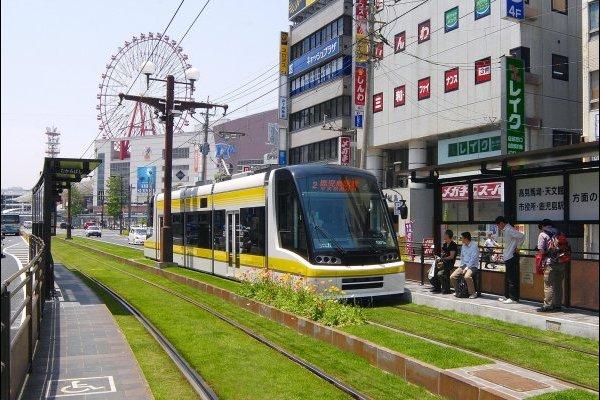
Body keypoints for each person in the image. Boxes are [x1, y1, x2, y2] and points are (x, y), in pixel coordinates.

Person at [536, 219, 566, 312]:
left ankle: (548, 306)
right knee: (558, 285)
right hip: (561, 262)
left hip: (550, 263)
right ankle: (558, 305)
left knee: (548, 285)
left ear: (542, 226)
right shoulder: (559, 232)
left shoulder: (543, 234)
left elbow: (541, 250)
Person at [495, 216, 525, 304]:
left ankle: (513, 298)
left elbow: (522, 236)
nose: (498, 227)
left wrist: (518, 247)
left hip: (511, 256)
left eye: (498, 225)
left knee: (512, 278)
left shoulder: (509, 229)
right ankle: (508, 296)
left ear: (501, 223)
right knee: (509, 277)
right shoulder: (506, 230)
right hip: (508, 256)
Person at [450, 232, 480, 299]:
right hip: (463, 265)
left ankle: (473, 293)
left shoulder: (474, 246)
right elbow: (462, 257)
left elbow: (473, 259)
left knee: (467, 276)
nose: (461, 239)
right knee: (452, 277)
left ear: (466, 239)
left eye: (462, 238)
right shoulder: (463, 245)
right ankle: (458, 291)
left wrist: (466, 269)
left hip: (473, 266)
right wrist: (461, 267)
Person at [430, 230, 457, 294]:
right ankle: (437, 287)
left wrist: (442, 258)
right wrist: (438, 257)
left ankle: (446, 289)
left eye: (445, 234)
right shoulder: (444, 244)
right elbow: (442, 253)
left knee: (441, 274)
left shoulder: (453, 245)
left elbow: (451, 257)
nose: (443, 236)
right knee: (431, 272)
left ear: (448, 235)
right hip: (442, 262)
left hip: (449, 263)